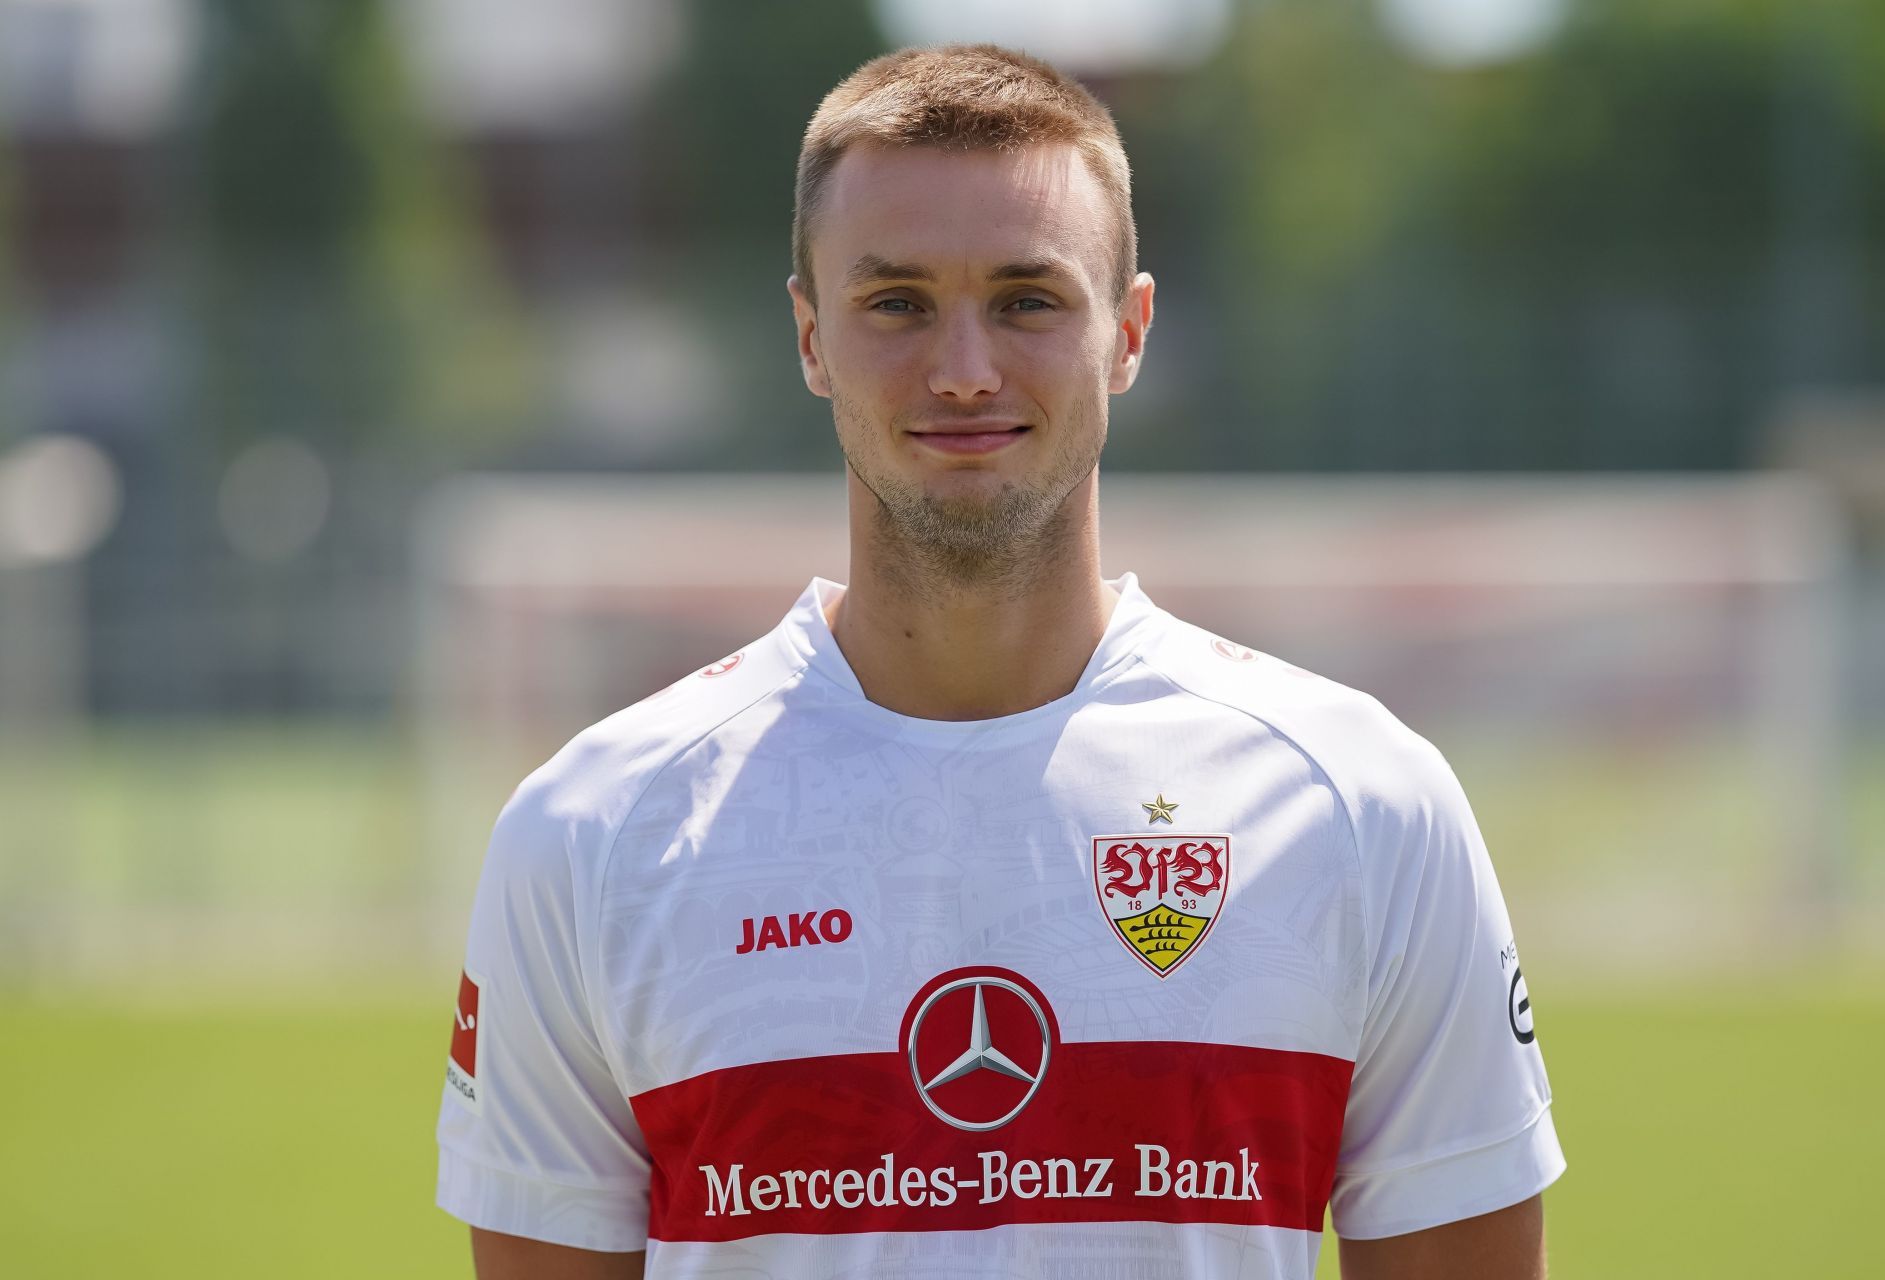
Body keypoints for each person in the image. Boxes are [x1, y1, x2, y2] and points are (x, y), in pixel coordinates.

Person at [435, 43, 1564, 1280]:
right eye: (897, 302)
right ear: (811, 338)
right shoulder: (594, 834)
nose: (964, 367)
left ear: (1129, 332)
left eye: (1028, 298)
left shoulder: (1361, 802)